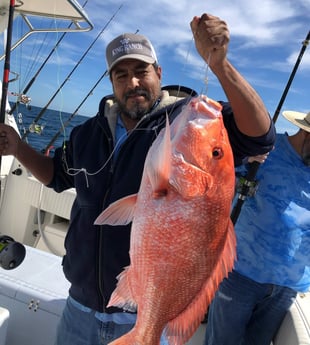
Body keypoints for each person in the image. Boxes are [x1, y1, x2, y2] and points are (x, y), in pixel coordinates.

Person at [0, 13, 275, 345]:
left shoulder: (183, 120)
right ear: (112, 82)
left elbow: (260, 137)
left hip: (144, 311)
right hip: (80, 305)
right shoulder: (89, 132)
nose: (132, 83)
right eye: (122, 75)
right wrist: (18, 148)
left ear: (158, 74)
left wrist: (220, 65)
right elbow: (57, 176)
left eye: (141, 71)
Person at [204, 110, 310, 345]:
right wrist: (242, 162)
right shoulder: (265, 151)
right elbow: (216, 180)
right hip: (239, 273)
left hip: (289, 284)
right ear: (306, 133)